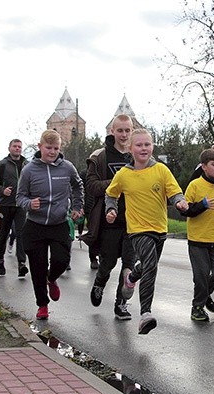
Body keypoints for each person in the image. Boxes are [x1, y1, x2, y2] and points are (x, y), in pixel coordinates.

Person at [105, 128, 189, 334]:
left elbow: (174, 191)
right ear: (130, 148)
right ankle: (145, 314)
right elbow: (111, 194)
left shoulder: (161, 170)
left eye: (147, 144)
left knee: (148, 264)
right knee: (151, 265)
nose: (144, 148)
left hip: (159, 228)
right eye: (139, 145)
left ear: (152, 146)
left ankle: (131, 277)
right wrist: (111, 209)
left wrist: (180, 202)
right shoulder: (123, 174)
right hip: (137, 230)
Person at [16, 129, 83, 321]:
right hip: (35, 224)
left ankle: (51, 278)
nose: (52, 152)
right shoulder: (29, 170)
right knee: (37, 266)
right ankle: (42, 305)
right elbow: (19, 196)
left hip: (59, 222)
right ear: (40, 147)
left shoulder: (67, 168)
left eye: (56, 148)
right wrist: (29, 204)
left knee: (62, 260)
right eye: (48, 148)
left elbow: (78, 186)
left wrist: (77, 206)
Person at [86, 114, 137, 320]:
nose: (124, 135)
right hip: (110, 218)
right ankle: (100, 282)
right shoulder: (100, 156)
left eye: (128, 130)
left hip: (134, 220)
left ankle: (121, 303)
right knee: (108, 263)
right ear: (112, 131)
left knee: (129, 265)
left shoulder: (138, 155)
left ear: (132, 131)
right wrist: (117, 184)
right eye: (120, 130)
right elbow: (91, 186)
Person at [181, 149, 214, 322]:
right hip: (197, 240)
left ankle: (205, 295)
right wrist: (202, 205)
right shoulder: (194, 185)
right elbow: (186, 211)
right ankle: (197, 307)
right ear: (204, 166)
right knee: (201, 276)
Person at [0, 139, 29, 277]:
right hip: (6, 204)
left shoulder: (26, 164)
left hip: (21, 204)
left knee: (21, 233)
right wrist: (2, 190)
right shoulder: (3, 164)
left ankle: (22, 263)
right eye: (15, 146)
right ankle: (0, 259)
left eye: (19, 147)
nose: (17, 149)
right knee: (4, 233)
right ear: (9, 148)